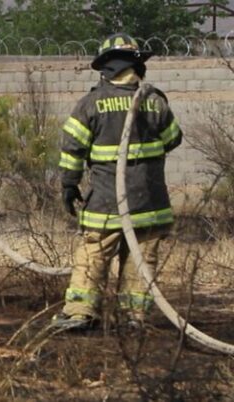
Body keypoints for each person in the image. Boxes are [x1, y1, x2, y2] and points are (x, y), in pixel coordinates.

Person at [53, 33, 183, 330]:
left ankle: (79, 313)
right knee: (141, 261)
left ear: (107, 68)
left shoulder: (91, 104)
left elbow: (72, 148)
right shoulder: (154, 101)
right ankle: (134, 318)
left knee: (93, 254)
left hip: (107, 202)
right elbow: (173, 139)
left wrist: (69, 184)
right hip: (150, 203)